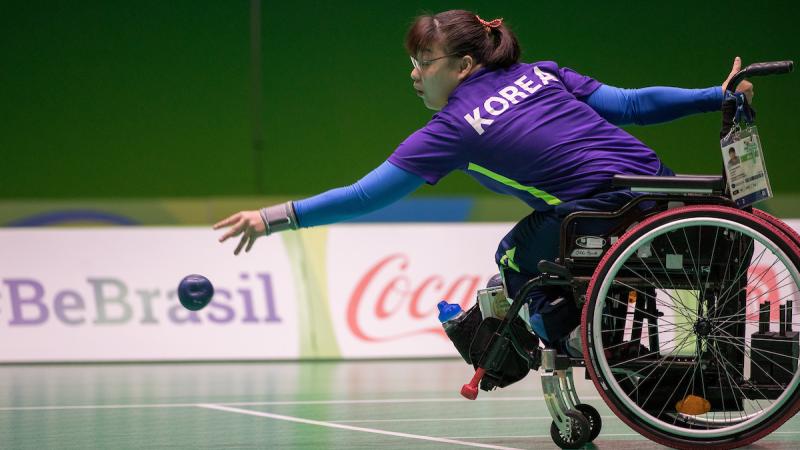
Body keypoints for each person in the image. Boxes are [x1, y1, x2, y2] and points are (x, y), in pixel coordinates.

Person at [213, 9, 754, 346]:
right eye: (413, 61)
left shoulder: (451, 129)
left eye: (425, 61)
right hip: (666, 192)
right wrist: (716, 95)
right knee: (545, 238)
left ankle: (569, 340)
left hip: (604, 214)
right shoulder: (542, 73)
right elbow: (633, 105)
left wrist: (273, 218)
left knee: (514, 256)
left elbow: (363, 196)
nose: (414, 74)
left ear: (465, 64)